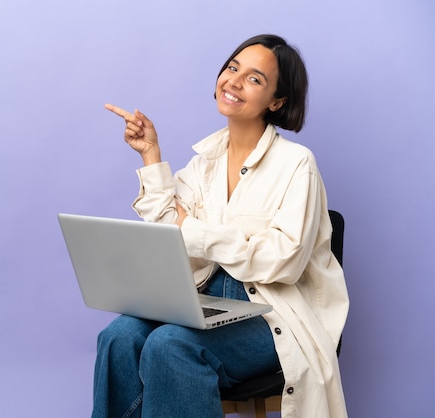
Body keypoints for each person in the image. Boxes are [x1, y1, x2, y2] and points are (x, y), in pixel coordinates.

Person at [95, 34, 349, 418]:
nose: (233, 80)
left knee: (170, 345)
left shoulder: (296, 164)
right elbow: (171, 232)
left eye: (254, 79)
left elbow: (285, 261)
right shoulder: (204, 164)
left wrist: (196, 231)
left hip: (271, 314)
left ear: (276, 101)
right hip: (205, 301)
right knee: (118, 337)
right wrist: (151, 155)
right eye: (233, 68)